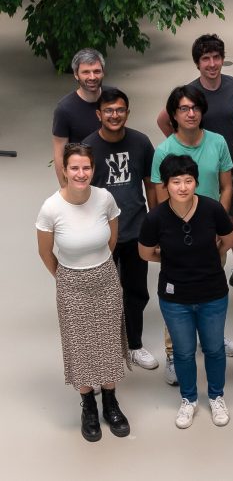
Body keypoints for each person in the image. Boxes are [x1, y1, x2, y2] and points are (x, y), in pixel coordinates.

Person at [36, 143, 130, 442]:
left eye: (86, 167)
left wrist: (97, 267)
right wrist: (67, 278)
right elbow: (45, 252)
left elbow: (112, 239)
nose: (80, 173)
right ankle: (88, 405)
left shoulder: (105, 198)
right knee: (80, 346)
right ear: (64, 170)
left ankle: (110, 402)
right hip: (71, 284)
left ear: (93, 169)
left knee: (108, 341)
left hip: (105, 279)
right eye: (74, 168)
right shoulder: (51, 208)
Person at [138, 154, 233, 430]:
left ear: (196, 182)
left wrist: (209, 257)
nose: (182, 187)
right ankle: (189, 399)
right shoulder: (155, 218)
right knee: (183, 352)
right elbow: (145, 253)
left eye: (188, 180)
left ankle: (216, 396)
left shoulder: (212, 209)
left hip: (213, 293)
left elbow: (229, 240)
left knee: (214, 349)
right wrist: (171, 259)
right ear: (165, 185)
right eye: (176, 181)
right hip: (175, 298)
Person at [156, 34, 233, 299]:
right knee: (204, 222)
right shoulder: (190, 93)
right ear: (197, 63)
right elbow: (163, 120)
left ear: (222, 59)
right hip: (202, 170)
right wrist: (183, 148)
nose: (212, 64)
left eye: (216, 57)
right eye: (205, 59)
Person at [152, 85, 233, 383]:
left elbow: (226, 187)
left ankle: (212, 338)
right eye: (184, 109)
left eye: (195, 108)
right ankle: (173, 353)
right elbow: (160, 199)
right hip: (178, 239)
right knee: (175, 294)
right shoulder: (164, 151)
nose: (191, 113)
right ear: (173, 115)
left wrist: (218, 225)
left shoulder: (218, 142)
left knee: (212, 288)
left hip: (212, 235)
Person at [83, 88, 159, 370]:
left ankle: (134, 345)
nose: (114, 115)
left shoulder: (141, 142)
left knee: (136, 291)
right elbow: (81, 192)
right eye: (109, 110)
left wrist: (154, 224)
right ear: (98, 114)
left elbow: (151, 185)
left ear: (128, 112)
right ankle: (106, 347)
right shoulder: (88, 147)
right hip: (101, 235)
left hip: (136, 230)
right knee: (102, 293)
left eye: (120, 110)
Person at [52, 48, 109, 185]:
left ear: (103, 72)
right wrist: (66, 188)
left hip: (112, 174)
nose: (92, 77)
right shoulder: (65, 109)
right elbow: (59, 154)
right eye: (85, 72)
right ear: (76, 75)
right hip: (84, 180)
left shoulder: (113, 97)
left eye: (97, 71)